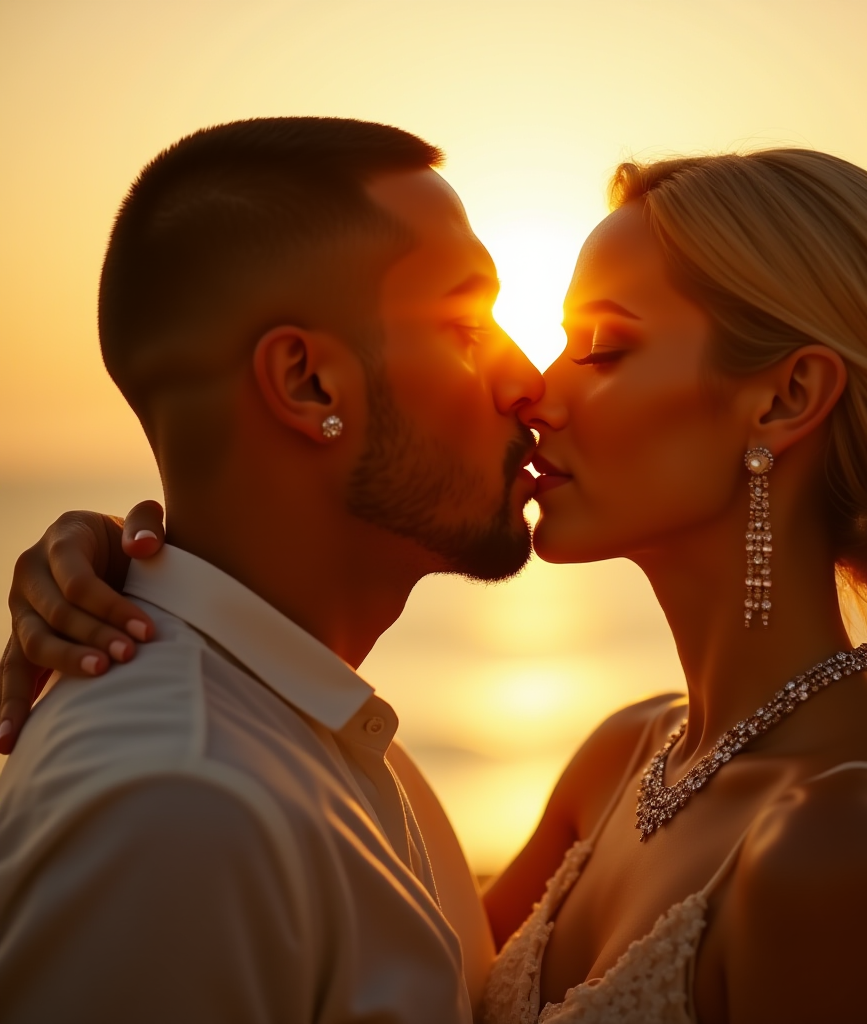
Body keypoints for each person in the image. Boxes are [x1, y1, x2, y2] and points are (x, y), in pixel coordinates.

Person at [6, 149, 867, 1022]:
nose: (540, 384)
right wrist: (163, 565)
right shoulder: (623, 762)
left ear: (785, 397)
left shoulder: (846, 852)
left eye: (605, 348)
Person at [0, 116, 546, 1023]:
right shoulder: (180, 807)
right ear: (307, 384)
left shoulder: (329, 745)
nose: (528, 379)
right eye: (465, 324)